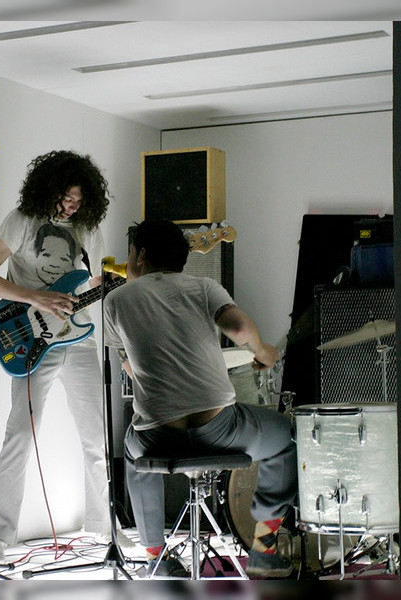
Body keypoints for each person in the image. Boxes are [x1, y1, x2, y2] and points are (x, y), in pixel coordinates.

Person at [103, 219, 298, 579]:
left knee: (132, 453)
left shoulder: (115, 301)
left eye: (130, 253)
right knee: (284, 435)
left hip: (158, 437)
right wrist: (263, 351)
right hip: (220, 429)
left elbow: (129, 367)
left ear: (141, 255)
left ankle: (155, 558)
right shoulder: (204, 287)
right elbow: (238, 328)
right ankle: (264, 547)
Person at [0, 149, 127, 564]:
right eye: (65, 198)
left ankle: (104, 527)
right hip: (31, 340)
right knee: (20, 434)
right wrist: (33, 296)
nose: (71, 206)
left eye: (77, 200)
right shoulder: (22, 220)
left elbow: (92, 280)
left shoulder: (88, 227)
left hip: (77, 340)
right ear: (48, 190)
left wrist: (113, 283)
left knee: (97, 435)